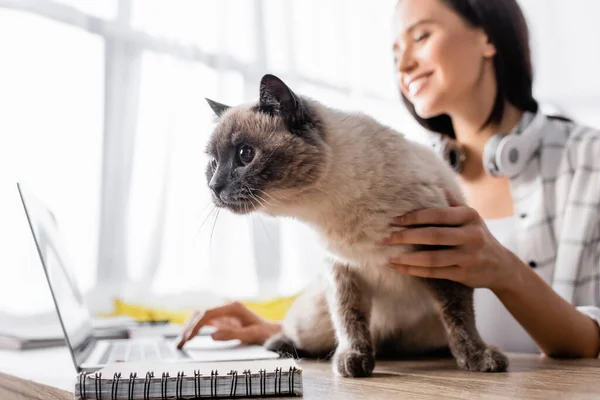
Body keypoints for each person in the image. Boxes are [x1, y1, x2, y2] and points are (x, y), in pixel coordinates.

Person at [178, 0, 600, 358]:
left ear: (488, 36)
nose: (404, 63)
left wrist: (505, 271)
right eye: (395, 51)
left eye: (421, 37)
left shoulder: (587, 159)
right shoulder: (404, 170)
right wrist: (275, 328)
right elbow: (394, 310)